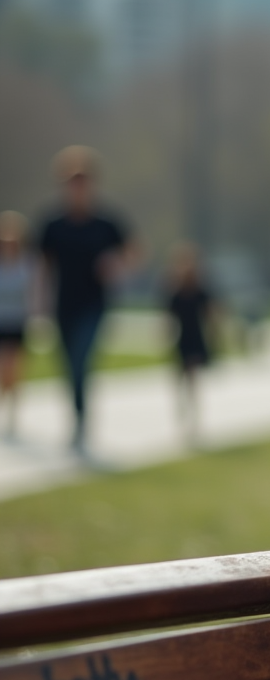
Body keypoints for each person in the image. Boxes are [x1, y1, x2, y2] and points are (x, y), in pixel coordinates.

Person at [38, 146, 133, 453]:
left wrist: (115, 265)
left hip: (94, 305)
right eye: (72, 181)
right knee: (68, 365)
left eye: (83, 181)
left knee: (82, 359)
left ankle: (81, 421)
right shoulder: (53, 225)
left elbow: (134, 251)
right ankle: (77, 415)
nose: (78, 187)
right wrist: (37, 301)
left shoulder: (105, 224)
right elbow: (40, 265)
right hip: (63, 304)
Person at [164, 242, 216, 444]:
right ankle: (182, 414)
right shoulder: (175, 290)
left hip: (196, 338)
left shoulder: (200, 290)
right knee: (179, 379)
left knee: (193, 380)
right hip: (181, 339)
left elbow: (211, 312)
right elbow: (168, 315)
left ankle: (193, 420)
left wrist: (214, 334)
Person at [0, 211, 37, 439]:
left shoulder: (28, 263)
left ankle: (13, 412)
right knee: (3, 368)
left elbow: (36, 291)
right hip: (0, 322)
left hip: (19, 322)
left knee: (14, 368)